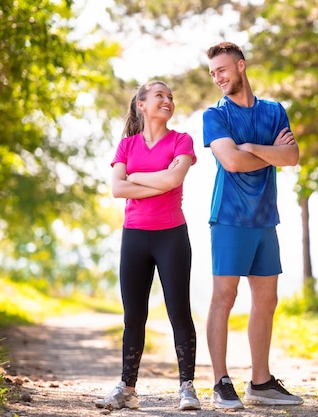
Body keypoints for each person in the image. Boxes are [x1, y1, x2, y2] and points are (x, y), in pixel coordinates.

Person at [202, 41, 304, 409]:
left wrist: (250, 147)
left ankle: (260, 383)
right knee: (224, 298)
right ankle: (220, 382)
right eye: (213, 73)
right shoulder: (214, 116)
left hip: (265, 219)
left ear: (241, 66)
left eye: (223, 70)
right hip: (229, 217)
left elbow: (292, 156)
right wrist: (267, 151)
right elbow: (231, 162)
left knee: (267, 299)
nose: (218, 78)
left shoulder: (275, 111)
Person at [94, 80, 201, 411]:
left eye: (170, 96)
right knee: (134, 315)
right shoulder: (126, 146)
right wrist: (153, 179)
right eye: (160, 96)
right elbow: (117, 190)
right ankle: (127, 388)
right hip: (135, 237)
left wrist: (135, 177)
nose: (167, 100)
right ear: (141, 105)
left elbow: (172, 180)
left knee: (179, 311)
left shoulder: (182, 140)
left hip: (172, 236)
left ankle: (187, 388)